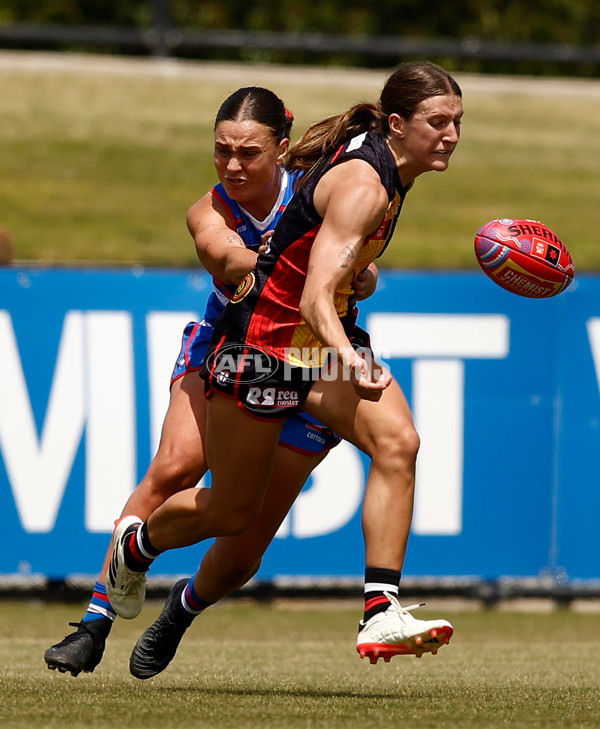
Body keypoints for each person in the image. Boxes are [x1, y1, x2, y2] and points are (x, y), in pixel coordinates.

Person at [105, 60, 463, 678]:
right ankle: (136, 547)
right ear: (399, 125)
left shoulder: (389, 168)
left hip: (317, 345)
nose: (452, 134)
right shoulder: (365, 184)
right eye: (439, 122)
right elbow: (312, 298)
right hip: (265, 345)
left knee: (399, 442)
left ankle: (380, 607)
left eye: (458, 122)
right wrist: (352, 359)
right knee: (229, 514)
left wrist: (350, 321)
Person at [44, 86, 377, 677]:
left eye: (248, 152)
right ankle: (95, 622)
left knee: (243, 539)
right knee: (174, 469)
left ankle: (180, 609)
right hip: (228, 349)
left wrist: (347, 261)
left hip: (311, 360)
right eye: (221, 150)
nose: (232, 165)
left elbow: (367, 275)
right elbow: (225, 258)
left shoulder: (320, 188)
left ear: (282, 143)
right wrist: (311, 260)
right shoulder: (210, 210)